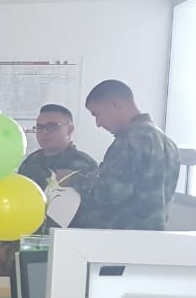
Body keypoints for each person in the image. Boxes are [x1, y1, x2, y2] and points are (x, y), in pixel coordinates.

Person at [0, 104, 99, 285]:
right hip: (21, 250)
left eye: (52, 126)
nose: (44, 132)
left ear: (70, 129)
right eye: (39, 127)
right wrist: (3, 242)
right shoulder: (32, 161)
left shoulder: (84, 167)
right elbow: (16, 205)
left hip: (62, 254)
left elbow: (88, 219)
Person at [74, 79, 181, 231]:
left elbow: (109, 193)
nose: (98, 123)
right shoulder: (168, 143)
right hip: (152, 236)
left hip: (121, 236)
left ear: (114, 104)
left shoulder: (130, 141)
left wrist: (76, 180)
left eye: (97, 114)